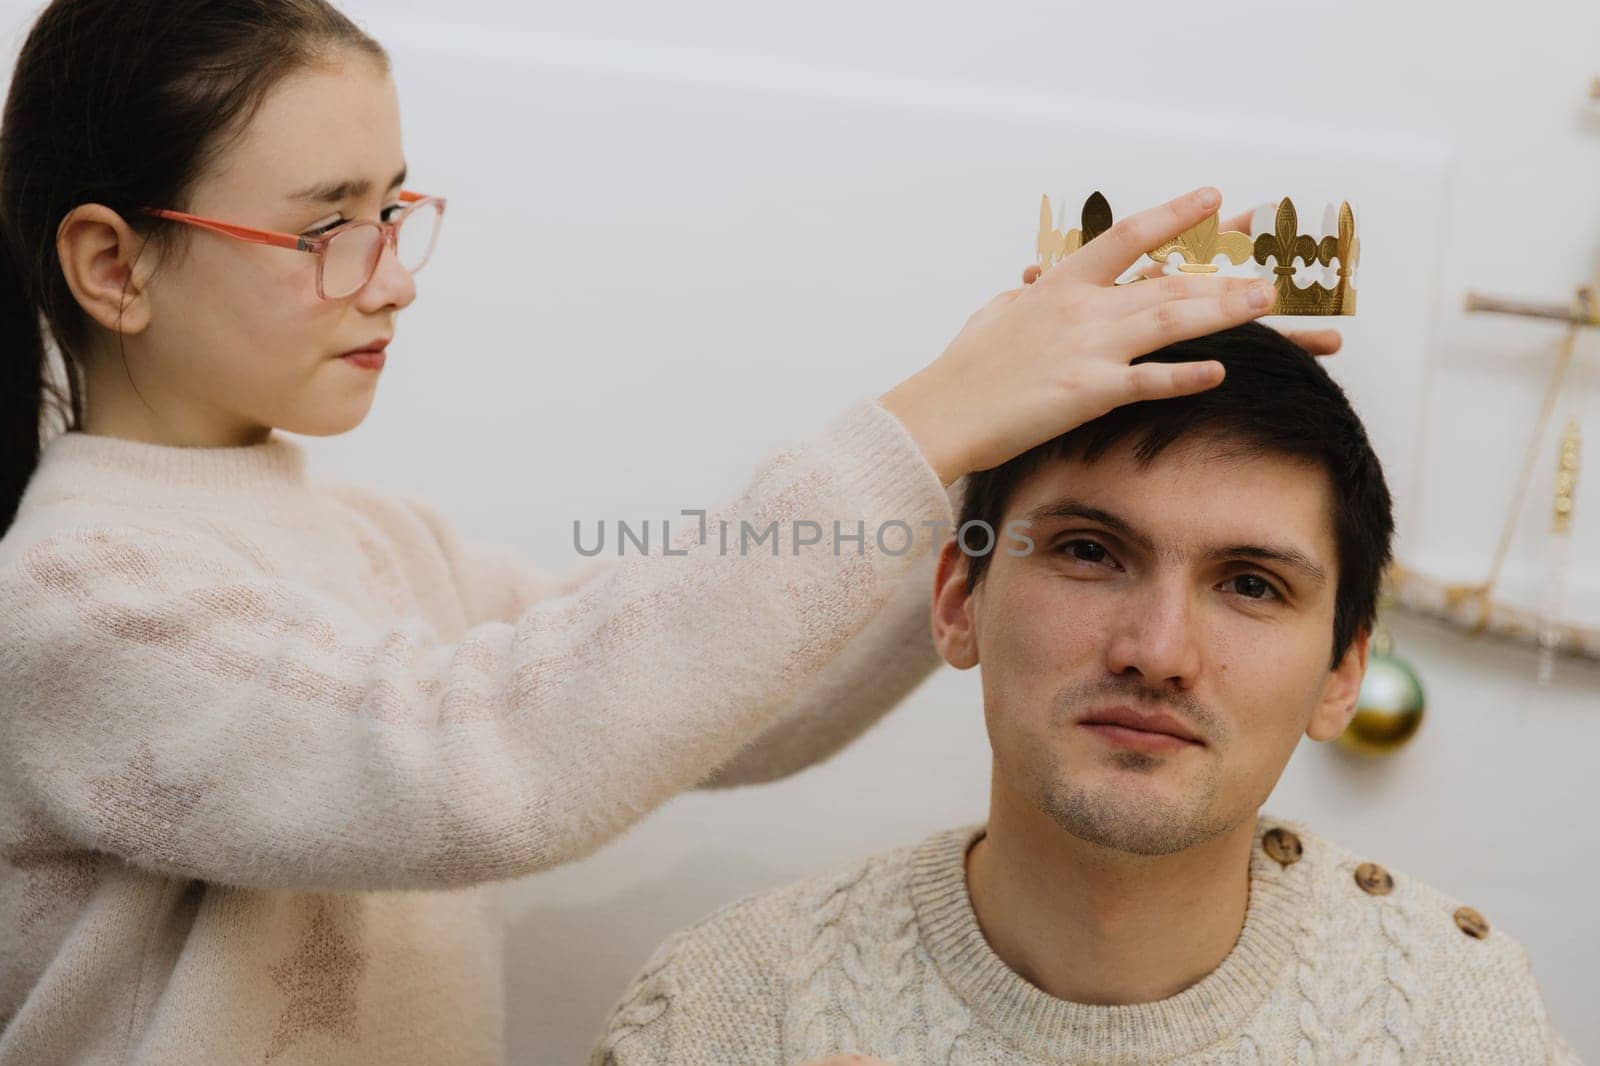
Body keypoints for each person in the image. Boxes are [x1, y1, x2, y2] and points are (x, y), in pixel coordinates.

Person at [0, 1, 1339, 1062]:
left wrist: (988, 457)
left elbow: (714, 696)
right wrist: (928, 421)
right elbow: (498, 753)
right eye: (327, 227)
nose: (395, 275)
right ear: (113, 265)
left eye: (396, 209)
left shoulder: (378, 543)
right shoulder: (74, 598)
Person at [590, 322, 1580, 1065]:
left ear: (1343, 674)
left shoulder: (1464, 1018)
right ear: (956, 600)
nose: (1156, 652)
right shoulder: (722, 1014)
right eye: (1088, 551)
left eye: (1249, 583)